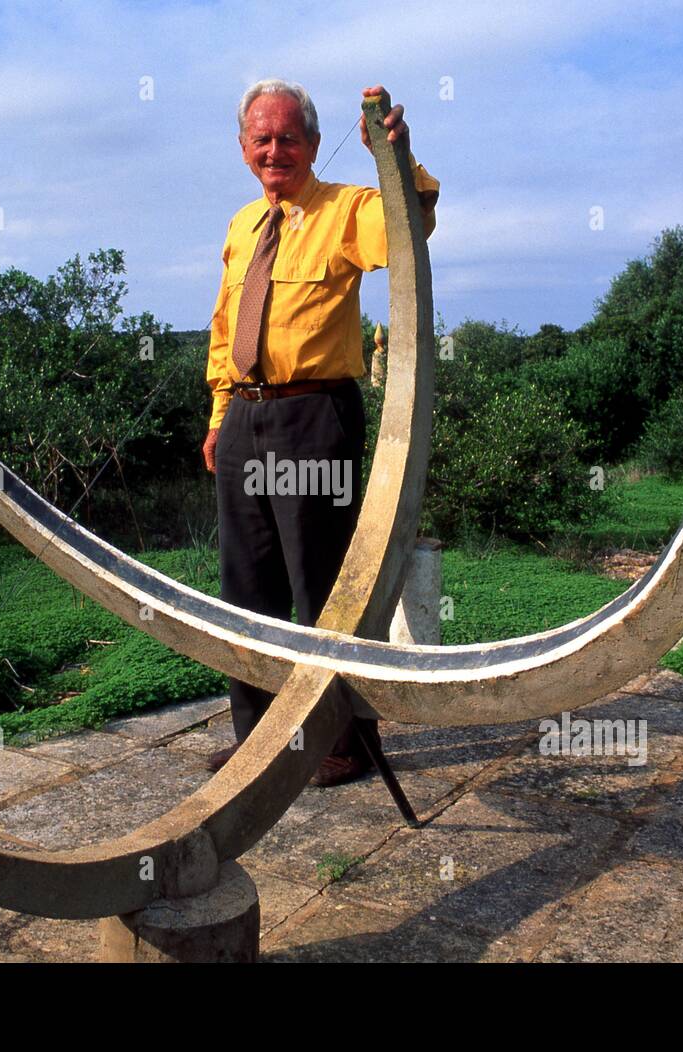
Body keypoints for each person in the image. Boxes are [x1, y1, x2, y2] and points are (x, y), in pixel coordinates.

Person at [202, 79, 439, 787]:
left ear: (310, 142)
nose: (275, 150)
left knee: (325, 586)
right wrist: (219, 417)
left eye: (288, 137)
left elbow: (411, 226)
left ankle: (344, 743)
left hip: (313, 418)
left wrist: (396, 160)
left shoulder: (345, 209)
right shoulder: (243, 224)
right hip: (246, 414)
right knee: (247, 590)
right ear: (244, 146)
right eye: (261, 138)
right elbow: (223, 329)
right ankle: (261, 739)